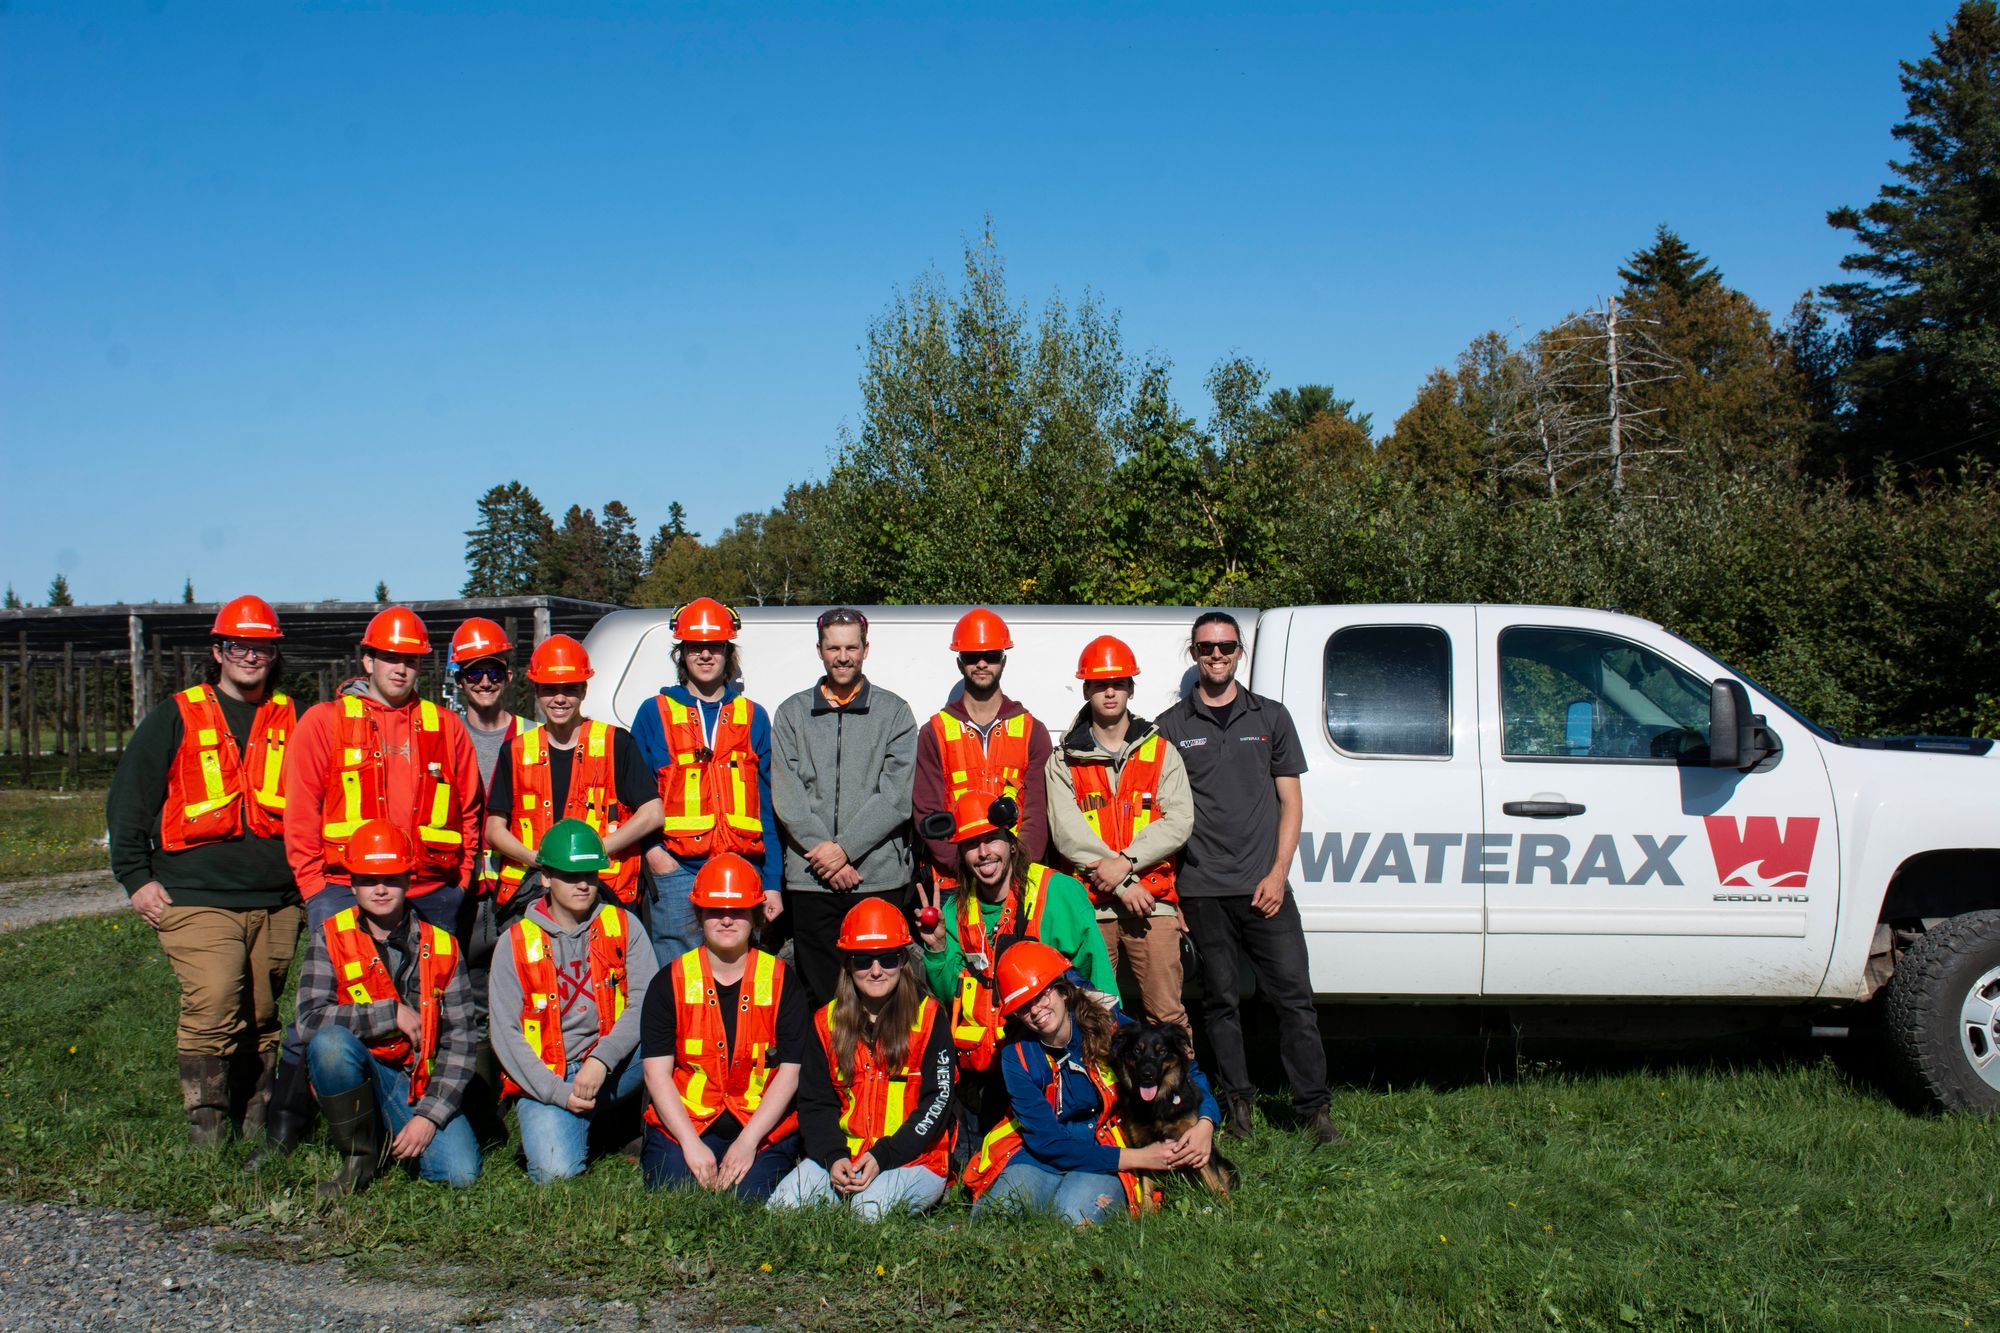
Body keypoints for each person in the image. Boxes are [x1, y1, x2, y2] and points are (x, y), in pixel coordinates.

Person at [253, 604, 484, 1169]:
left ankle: (419, 1110)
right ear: (368, 658)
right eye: (390, 657)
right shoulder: (324, 722)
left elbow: (470, 809)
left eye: (410, 659)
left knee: (432, 1004)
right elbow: (301, 810)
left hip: (430, 889)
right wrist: (314, 887)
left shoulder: (444, 726)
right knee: (325, 1005)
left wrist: (457, 881)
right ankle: (285, 1128)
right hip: (342, 885)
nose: (400, 668)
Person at [105, 593, 302, 1147]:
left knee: (263, 1013)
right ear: (218, 650)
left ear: (274, 652)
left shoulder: (295, 716)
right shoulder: (177, 714)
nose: (250, 655)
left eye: (261, 645)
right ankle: (207, 1131)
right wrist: (136, 878)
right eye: (239, 644)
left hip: (278, 900)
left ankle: (257, 1119)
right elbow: (130, 800)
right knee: (214, 1003)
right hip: (196, 896)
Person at [1155, 611, 1338, 1145]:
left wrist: (1278, 874)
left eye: (1226, 647)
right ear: (1194, 654)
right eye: (1206, 648)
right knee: (1220, 1005)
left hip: (1266, 888)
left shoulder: (1272, 718)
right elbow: (1162, 813)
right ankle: (1238, 1109)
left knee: (1295, 1000)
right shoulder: (1171, 726)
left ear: (1240, 653)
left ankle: (1314, 1112)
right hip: (1203, 891)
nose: (1216, 656)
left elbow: (1291, 803)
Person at [915, 788, 1114, 1161]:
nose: (983, 853)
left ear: (1010, 841)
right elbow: (949, 997)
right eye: (971, 844)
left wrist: (1106, 1047)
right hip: (986, 1068)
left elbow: (1098, 980)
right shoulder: (957, 908)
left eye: (991, 839)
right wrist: (939, 947)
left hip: (1053, 1058)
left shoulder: (1059, 893)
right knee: (978, 1163)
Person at [965, 941, 1218, 1225]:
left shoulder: (1110, 1026)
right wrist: (1141, 1159)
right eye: (1023, 1007)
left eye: (1042, 995)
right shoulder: (1016, 1056)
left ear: (1062, 991)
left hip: (1106, 1149)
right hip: (1045, 1156)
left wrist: (1206, 1123)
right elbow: (1048, 1142)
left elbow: (1189, 1070)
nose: (1036, 1010)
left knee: (1073, 1218)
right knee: (993, 1216)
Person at [294, 819, 481, 1195]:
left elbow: (462, 1041)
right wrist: (387, 1013)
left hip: (416, 1081)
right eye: (368, 879)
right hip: (359, 1067)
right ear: (351, 882)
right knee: (330, 1045)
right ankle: (358, 1158)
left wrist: (429, 1117)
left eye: (391, 878)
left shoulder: (444, 946)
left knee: (460, 1175)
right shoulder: (330, 937)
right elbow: (310, 1021)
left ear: (409, 881)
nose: (380, 889)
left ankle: (393, 1130)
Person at [488, 819, 657, 1183]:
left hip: (612, 1066)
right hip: (548, 1074)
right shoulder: (514, 942)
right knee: (556, 1173)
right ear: (546, 877)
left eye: (590, 874)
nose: (583, 883)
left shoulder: (624, 925)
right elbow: (505, 1033)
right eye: (569, 874)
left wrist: (601, 1059)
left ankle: (644, 1130)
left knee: (666, 1035)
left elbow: (645, 1001)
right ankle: (577, 1121)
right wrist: (557, 1093)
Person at [769, 898, 955, 1220]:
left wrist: (884, 1155)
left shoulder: (929, 1017)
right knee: (781, 1208)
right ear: (847, 964)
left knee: (867, 1212)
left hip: (915, 1160)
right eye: (863, 960)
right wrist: (833, 1156)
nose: (876, 970)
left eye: (887, 959)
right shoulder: (824, 1022)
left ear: (903, 960)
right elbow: (815, 1103)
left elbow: (937, 1103)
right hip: (846, 1157)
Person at [1046, 634, 1194, 1033]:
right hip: (1090, 905)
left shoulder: (1161, 751)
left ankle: (1181, 1096)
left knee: (1167, 1015)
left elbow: (1179, 821)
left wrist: (1126, 865)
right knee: (1093, 1015)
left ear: (1131, 688)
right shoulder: (1063, 760)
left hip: (1154, 902)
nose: (1109, 692)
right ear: (1086, 689)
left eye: (1118, 683)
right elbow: (1067, 834)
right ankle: (1101, 1096)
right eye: (1099, 684)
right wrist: (1123, 883)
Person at [770, 607, 917, 1006]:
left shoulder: (895, 713)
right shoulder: (791, 713)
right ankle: (830, 1066)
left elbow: (895, 796)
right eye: (833, 647)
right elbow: (787, 794)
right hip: (811, 878)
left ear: (866, 650)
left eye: (851, 646)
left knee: (881, 990)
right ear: (819, 650)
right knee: (822, 993)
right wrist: (828, 855)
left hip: (877, 878)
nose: (843, 656)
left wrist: (844, 849)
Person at [639, 852, 804, 1202]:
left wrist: (747, 1143)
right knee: (675, 1194)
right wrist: (690, 1145)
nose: (726, 920)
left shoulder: (781, 980)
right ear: (699, 915)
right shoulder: (668, 981)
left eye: (739, 910)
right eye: (715, 911)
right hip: (688, 1126)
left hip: (759, 1128)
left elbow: (790, 1073)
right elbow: (657, 1075)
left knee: (747, 1199)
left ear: (756, 916)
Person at [628, 597, 783, 965]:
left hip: (744, 869)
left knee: (740, 973)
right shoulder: (655, 713)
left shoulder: (753, 716)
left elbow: (768, 806)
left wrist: (773, 882)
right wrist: (654, 855)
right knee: (677, 975)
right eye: (695, 647)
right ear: (681, 654)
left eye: (714, 646)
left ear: (728, 652)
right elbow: (634, 797)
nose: (705, 655)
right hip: (677, 871)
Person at [483, 634, 660, 930]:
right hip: (533, 893)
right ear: (537, 691)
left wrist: (594, 852)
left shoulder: (616, 743)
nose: (560, 698)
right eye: (550, 690)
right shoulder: (514, 751)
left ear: (584, 690)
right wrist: (537, 859)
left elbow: (653, 813)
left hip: (603, 892)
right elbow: (494, 829)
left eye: (570, 689)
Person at [910, 608, 1052, 893]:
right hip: (955, 883)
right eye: (972, 657)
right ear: (960, 662)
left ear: (1004, 660)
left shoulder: (1032, 731)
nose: (982, 663)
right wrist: (966, 866)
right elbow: (928, 812)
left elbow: (1038, 812)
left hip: (1016, 881)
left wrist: (1015, 867)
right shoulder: (933, 732)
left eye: (992, 655)